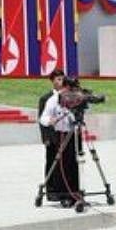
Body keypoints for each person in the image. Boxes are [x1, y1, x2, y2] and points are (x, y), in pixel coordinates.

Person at [39, 74, 80, 207]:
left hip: (72, 135)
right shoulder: (53, 99)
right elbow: (43, 118)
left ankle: (75, 192)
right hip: (58, 135)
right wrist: (49, 122)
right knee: (60, 165)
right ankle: (61, 194)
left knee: (73, 164)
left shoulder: (77, 96)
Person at [38, 69, 66, 202]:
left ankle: (64, 189)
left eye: (62, 79)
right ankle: (51, 191)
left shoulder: (68, 96)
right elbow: (42, 120)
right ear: (52, 81)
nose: (61, 82)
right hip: (52, 137)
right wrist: (46, 138)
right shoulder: (45, 98)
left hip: (66, 136)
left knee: (66, 164)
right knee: (51, 163)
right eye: (58, 79)